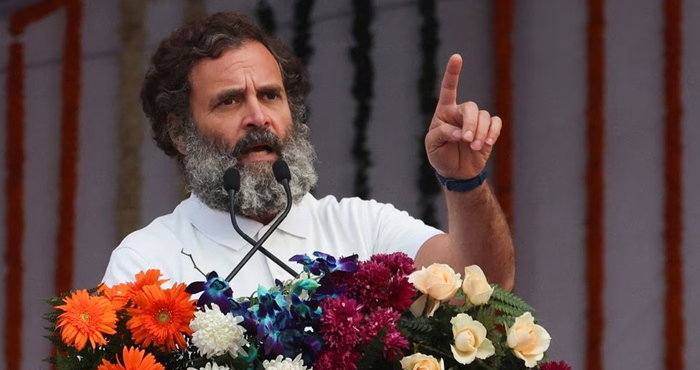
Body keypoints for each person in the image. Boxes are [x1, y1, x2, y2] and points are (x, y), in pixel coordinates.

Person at [103, 11, 515, 296]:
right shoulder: (146, 261)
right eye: (229, 102)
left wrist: (464, 183)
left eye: (270, 95)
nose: (258, 117)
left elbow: (481, 287)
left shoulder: (363, 228)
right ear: (179, 132)